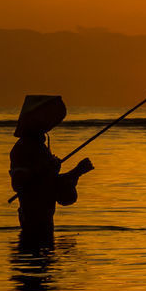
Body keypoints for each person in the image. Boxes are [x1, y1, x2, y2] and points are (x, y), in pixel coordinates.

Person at [9, 94, 93, 247]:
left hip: (45, 218)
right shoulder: (22, 149)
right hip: (33, 220)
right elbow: (20, 183)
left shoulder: (40, 148)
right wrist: (51, 170)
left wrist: (76, 171)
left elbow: (51, 185)